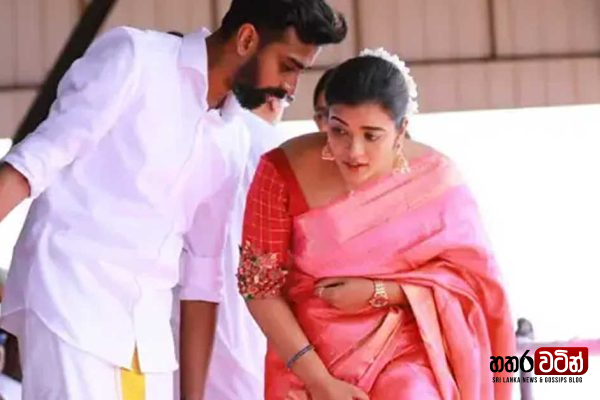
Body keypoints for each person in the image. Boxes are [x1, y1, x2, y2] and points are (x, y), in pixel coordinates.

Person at [0, 0, 347, 398]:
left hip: (148, 338)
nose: (290, 88)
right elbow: (31, 164)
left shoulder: (232, 137)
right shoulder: (136, 59)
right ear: (247, 39)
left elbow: (203, 275)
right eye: (288, 66)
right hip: (71, 303)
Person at [237, 49, 516, 399]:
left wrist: (379, 292)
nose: (353, 151)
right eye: (339, 131)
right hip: (307, 359)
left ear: (401, 131)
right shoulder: (280, 171)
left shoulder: (436, 180)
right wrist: (319, 381)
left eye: (371, 136)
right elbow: (258, 287)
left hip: (410, 351)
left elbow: (474, 287)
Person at [199, 92, 288, 400]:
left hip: (192, 298)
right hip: (256, 306)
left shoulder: (205, 131)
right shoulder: (276, 149)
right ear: (275, 101)